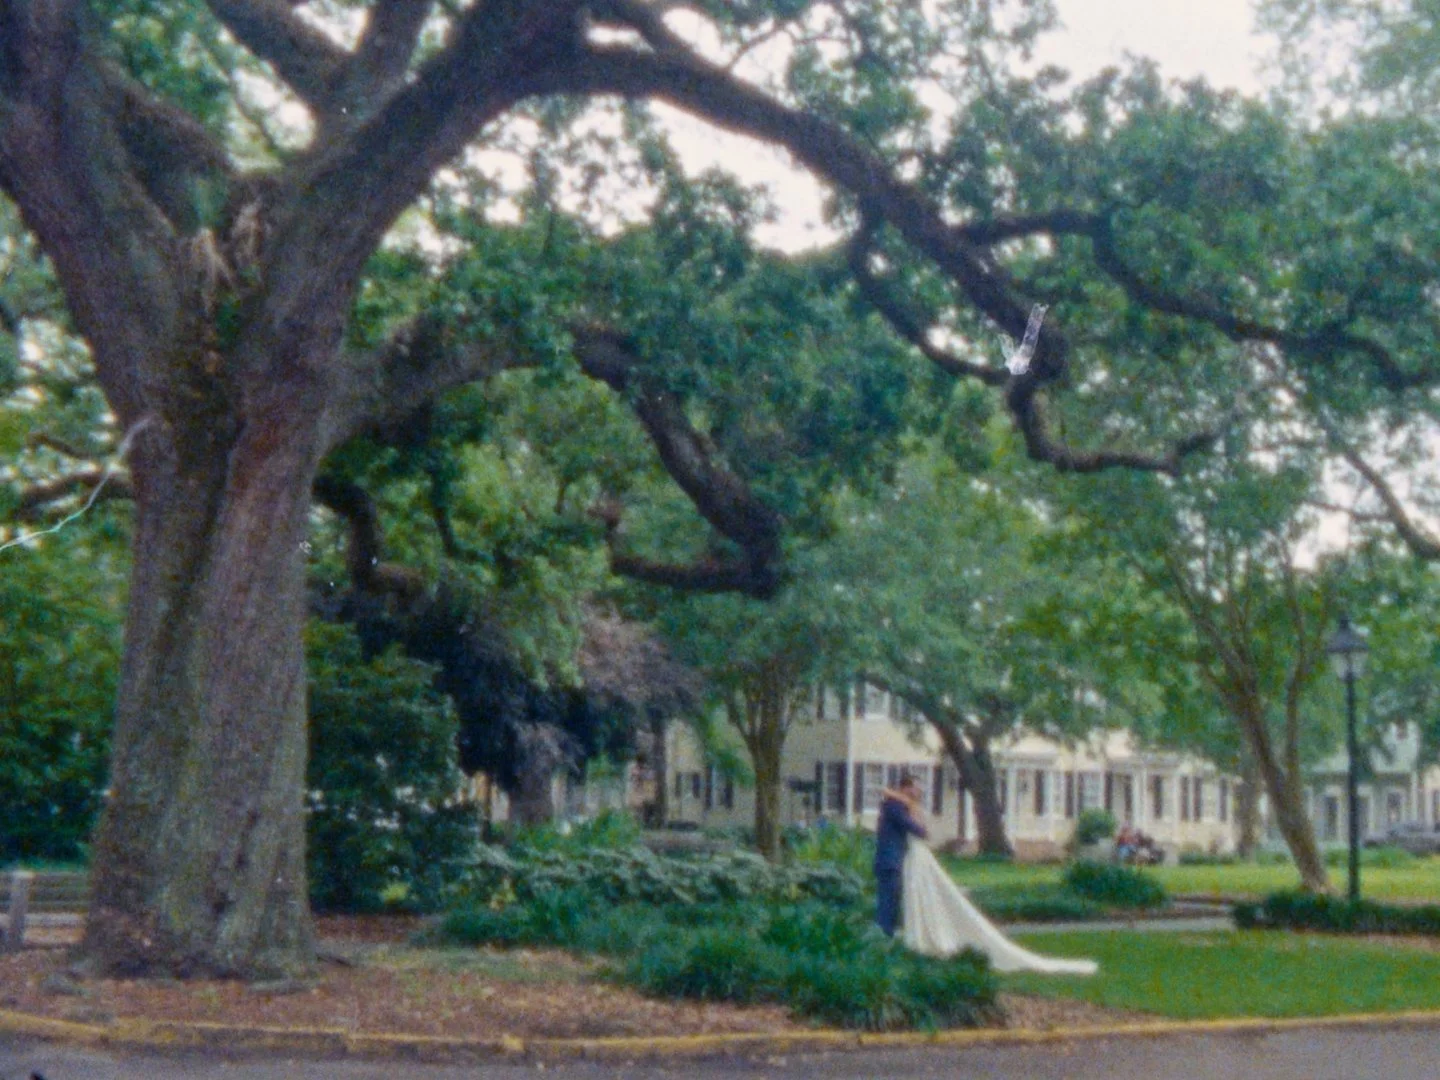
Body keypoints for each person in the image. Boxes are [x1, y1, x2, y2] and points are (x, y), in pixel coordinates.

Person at [874, 773, 927, 936]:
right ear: (905, 788)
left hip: (895, 859)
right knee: (888, 901)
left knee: (893, 900)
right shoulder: (894, 805)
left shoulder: (903, 806)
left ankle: (887, 933)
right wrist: (922, 829)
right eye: (916, 788)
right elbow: (911, 826)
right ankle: (883, 935)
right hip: (890, 860)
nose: (919, 792)